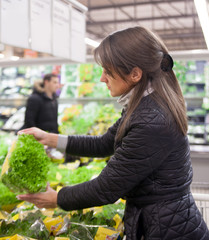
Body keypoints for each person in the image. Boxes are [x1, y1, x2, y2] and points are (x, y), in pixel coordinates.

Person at [17, 26, 209, 240]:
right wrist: (50, 138)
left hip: (168, 230)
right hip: (162, 220)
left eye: (108, 71)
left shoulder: (151, 120)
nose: (102, 78)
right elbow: (104, 143)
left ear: (135, 74)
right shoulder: (144, 105)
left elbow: (106, 188)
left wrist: (56, 198)